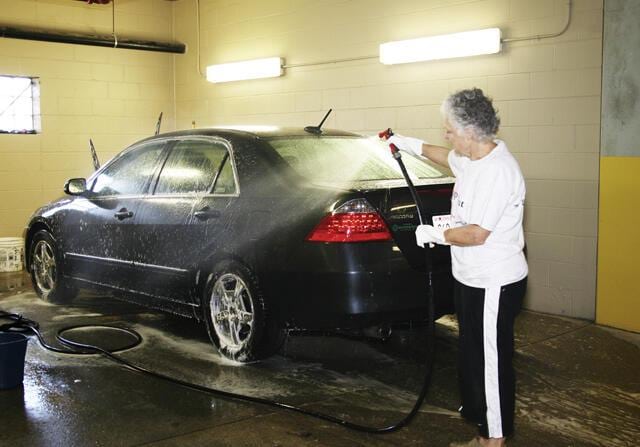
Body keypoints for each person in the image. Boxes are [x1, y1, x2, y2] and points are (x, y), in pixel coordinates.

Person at [383, 88, 528, 447]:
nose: (446, 135)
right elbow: (442, 156)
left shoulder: (498, 171)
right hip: (470, 278)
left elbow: (477, 233)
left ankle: (494, 442)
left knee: (491, 364)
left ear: (469, 132)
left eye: (449, 129)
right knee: (473, 359)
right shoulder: (472, 157)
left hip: (494, 281)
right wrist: (404, 142)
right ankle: (483, 436)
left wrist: (434, 233)